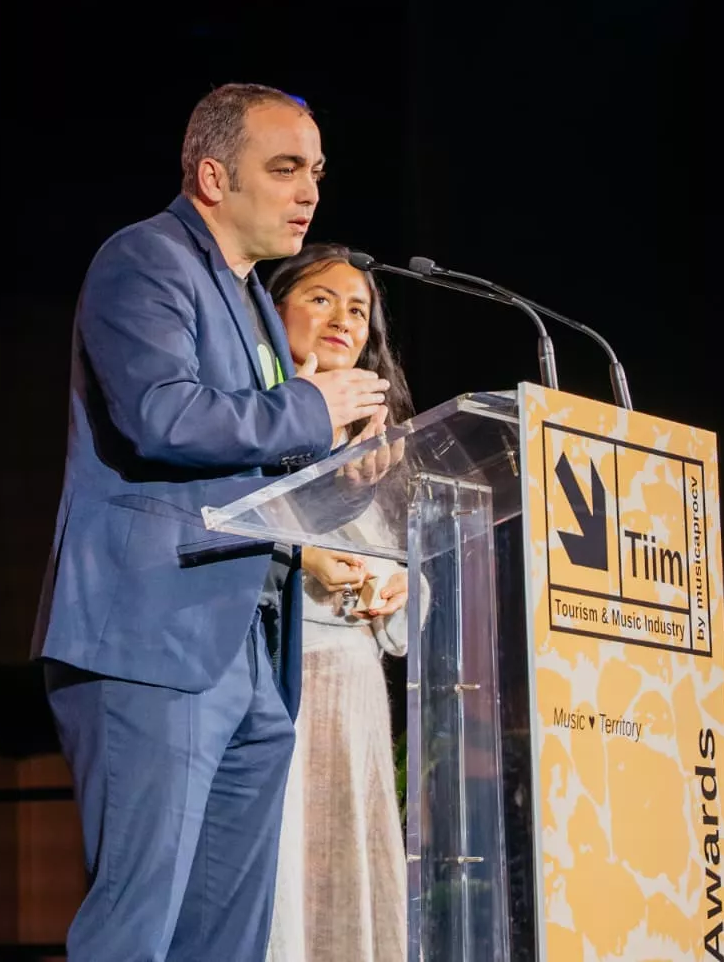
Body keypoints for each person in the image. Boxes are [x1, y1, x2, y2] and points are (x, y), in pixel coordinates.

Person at [30, 83, 392, 962]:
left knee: (223, 940)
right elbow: (163, 415)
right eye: (284, 169)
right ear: (212, 175)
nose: (309, 191)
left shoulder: (256, 298)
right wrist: (309, 406)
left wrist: (341, 468)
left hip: (254, 652)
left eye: (315, 170)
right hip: (156, 640)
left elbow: (254, 454)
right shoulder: (144, 260)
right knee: (136, 928)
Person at [263, 243, 415, 962]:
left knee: (349, 887)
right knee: (282, 891)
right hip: (277, 688)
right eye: (322, 298)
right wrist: (303, 561)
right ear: (276, 306)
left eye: (359, 309)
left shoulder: (383, 441)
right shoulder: (250, 418)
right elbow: (218, 530)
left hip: (355, 694)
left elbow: (411, 595)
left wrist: (399, 587)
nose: (343, 319)